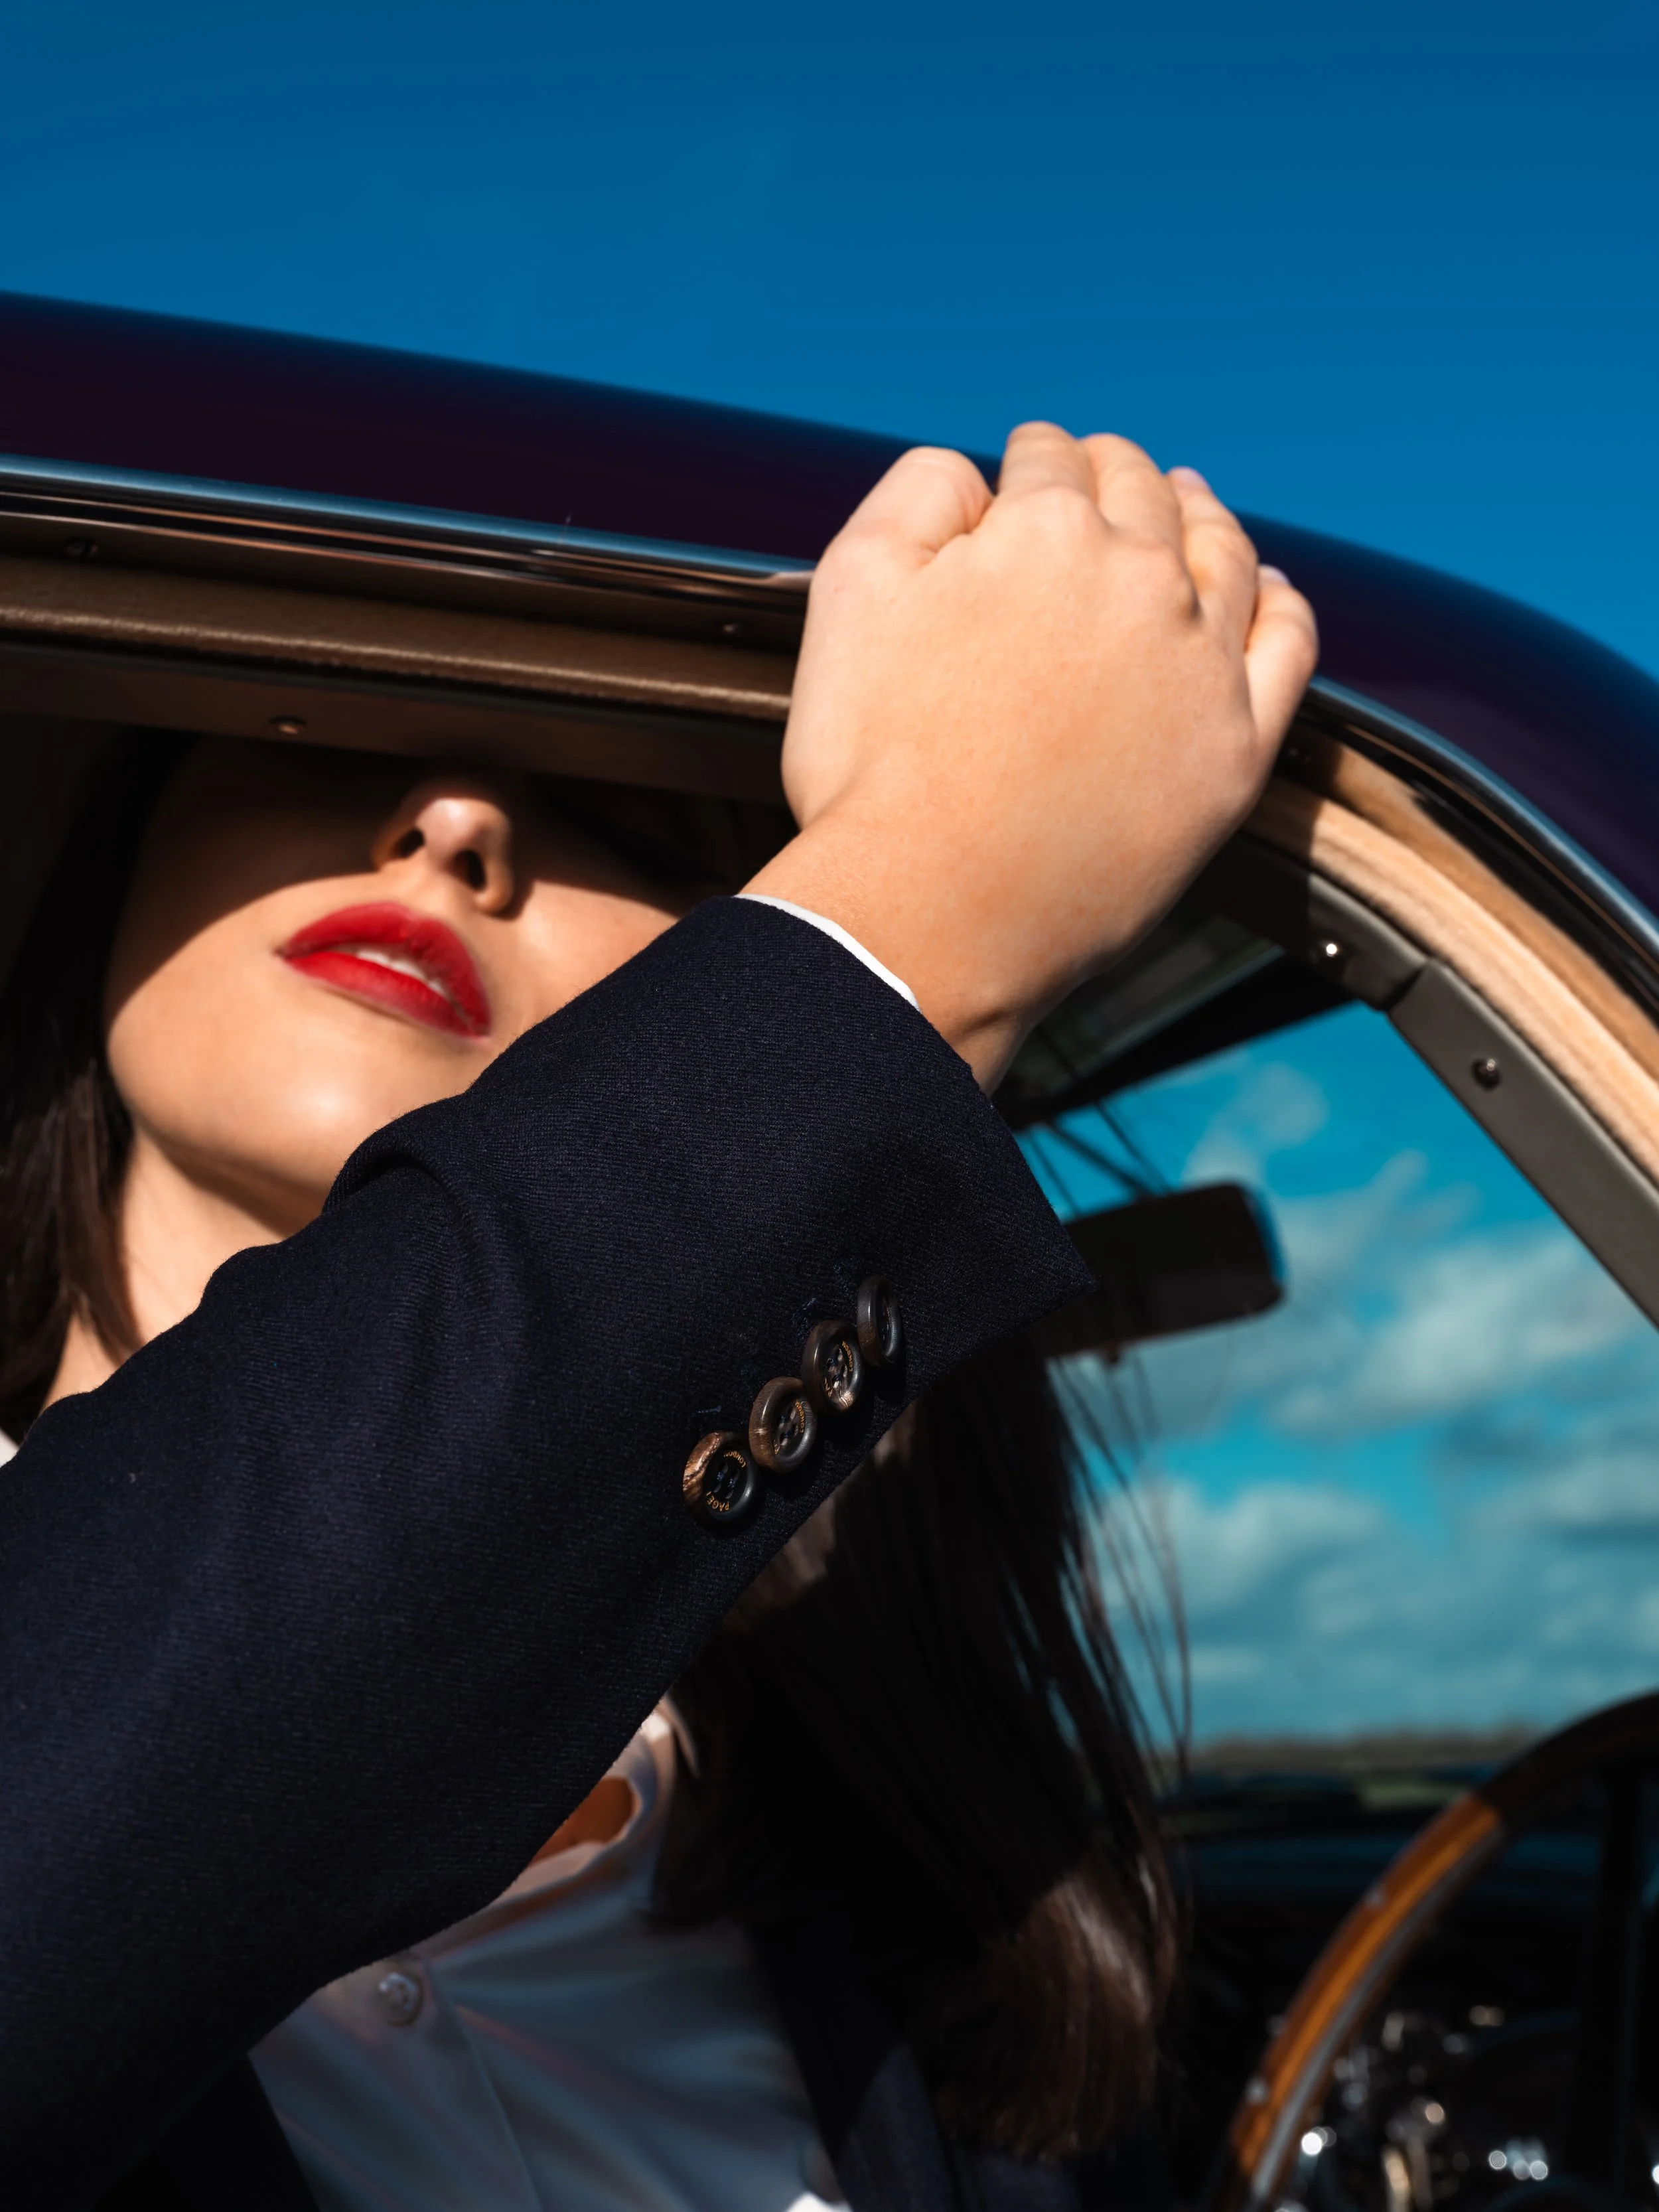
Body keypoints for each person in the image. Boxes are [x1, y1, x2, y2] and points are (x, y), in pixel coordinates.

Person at [0, 427, 1317, 2205]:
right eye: (319, 732)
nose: (456, 828)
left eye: (615, 812)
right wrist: (931, 897)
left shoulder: (895, 1906)